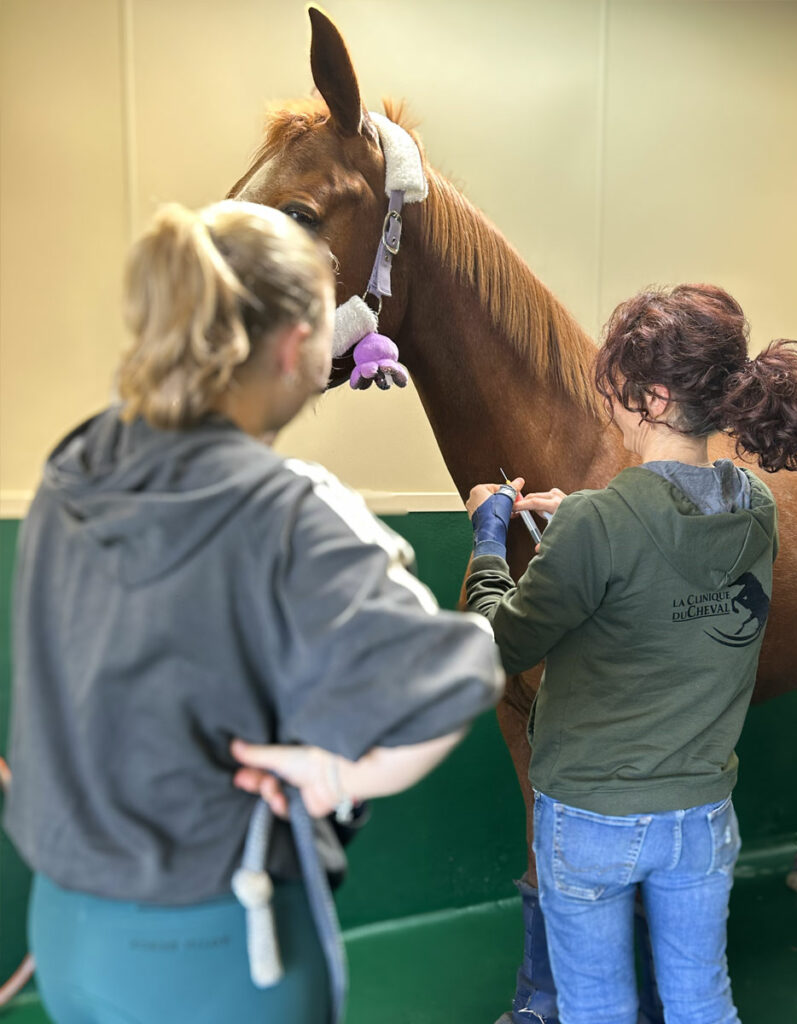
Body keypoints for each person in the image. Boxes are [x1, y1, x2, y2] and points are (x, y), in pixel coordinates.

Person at [3, 200, 503, 1024]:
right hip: (214, 950)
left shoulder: (74, 464)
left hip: (66, 930)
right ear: (299, 345)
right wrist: (334, 777)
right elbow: (457, 676)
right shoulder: (291, 508)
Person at [464, 284, 797, 1024]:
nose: (613, 409)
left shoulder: (603, 523)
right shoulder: (755, 505)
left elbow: (500, 645)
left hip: (590, 820)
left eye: (619, 394)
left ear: (654, 399)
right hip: (701, 817)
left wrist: (484, 539)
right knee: (702, 1002)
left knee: (597, 1008)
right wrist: (582, 518)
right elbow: (672, 544)